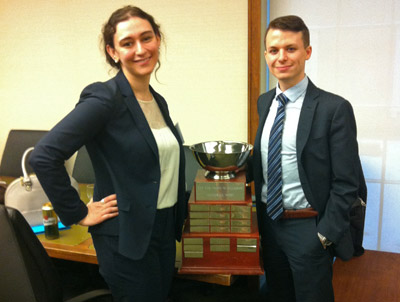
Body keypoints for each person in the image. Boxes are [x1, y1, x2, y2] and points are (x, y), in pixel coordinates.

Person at [30, 5, 187, 301]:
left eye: (147, 38)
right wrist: (78, 212)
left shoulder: (157, 100)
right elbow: (45, 155)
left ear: (158, 40)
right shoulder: (105, 98)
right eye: (128, 43)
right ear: (113, 52)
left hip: (162, 231)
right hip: (125, 236)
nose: (140, 49)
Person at [250, 15, 366, 301]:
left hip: (309, 228)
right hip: (269, 223)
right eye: (274, 50)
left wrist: (324, 235)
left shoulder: (333, 108)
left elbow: (347, 182)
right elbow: (267, 160)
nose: (281, 57)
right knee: (278, 295)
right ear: (266, 55)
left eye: (291, 48)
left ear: (307, 52)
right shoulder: (265, 102)